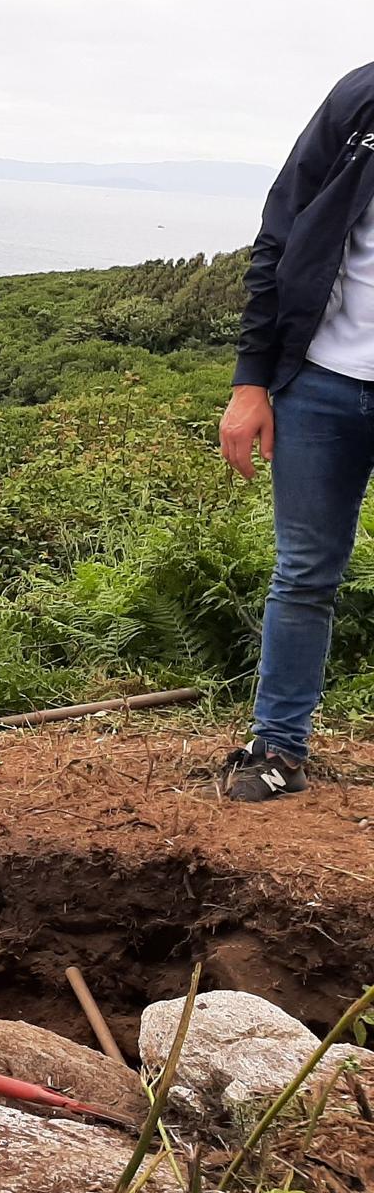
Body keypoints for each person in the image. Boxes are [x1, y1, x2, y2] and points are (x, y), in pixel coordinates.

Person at [220, 63, 374, 801]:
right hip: (320, 381)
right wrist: (252, 379)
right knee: (305, 573)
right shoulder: (362, 96)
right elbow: (279, 233)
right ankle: (277, 747)